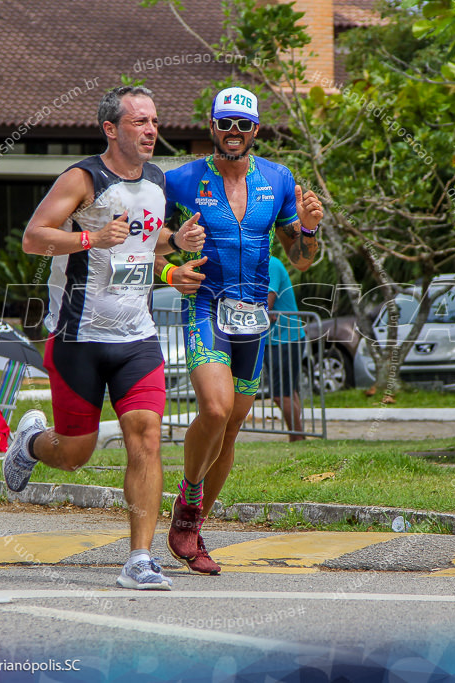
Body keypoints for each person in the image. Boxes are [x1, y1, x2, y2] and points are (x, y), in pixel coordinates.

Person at [2, 86, 205, 591]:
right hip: (78, 337)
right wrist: (90, 237)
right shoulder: (83, 178)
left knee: (147, 438)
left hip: (137, 337)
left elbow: (144, 242)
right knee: (76, 454)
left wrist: (174, 254)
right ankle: (29, 442)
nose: (151, 130)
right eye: (139, 121)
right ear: (111, 129)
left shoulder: (157, 182)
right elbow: (33, 236)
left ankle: (140, 558)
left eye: (155, 121)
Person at [156, 87, 322, 575]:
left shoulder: (279, 177)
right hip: (206, 306)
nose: (233, 133)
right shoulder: (180, 180)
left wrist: (310, 230)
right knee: (215, 406)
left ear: (255, 130)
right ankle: (187, 501)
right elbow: (144, 245)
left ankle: (193, 530)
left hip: (253, 317)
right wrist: (171, 266)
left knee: (229, 431)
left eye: (243, 125)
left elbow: (301, 260)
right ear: (211, 126)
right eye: (224, 123)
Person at [266, 255, 307, 441]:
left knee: (281, 394)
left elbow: (267, 305)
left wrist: (263, 312)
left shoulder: (271, 264)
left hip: (285, 339)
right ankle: (298, 435)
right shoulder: (259, 265)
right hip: (275, 339)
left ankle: (297, 437)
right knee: (288, 391)